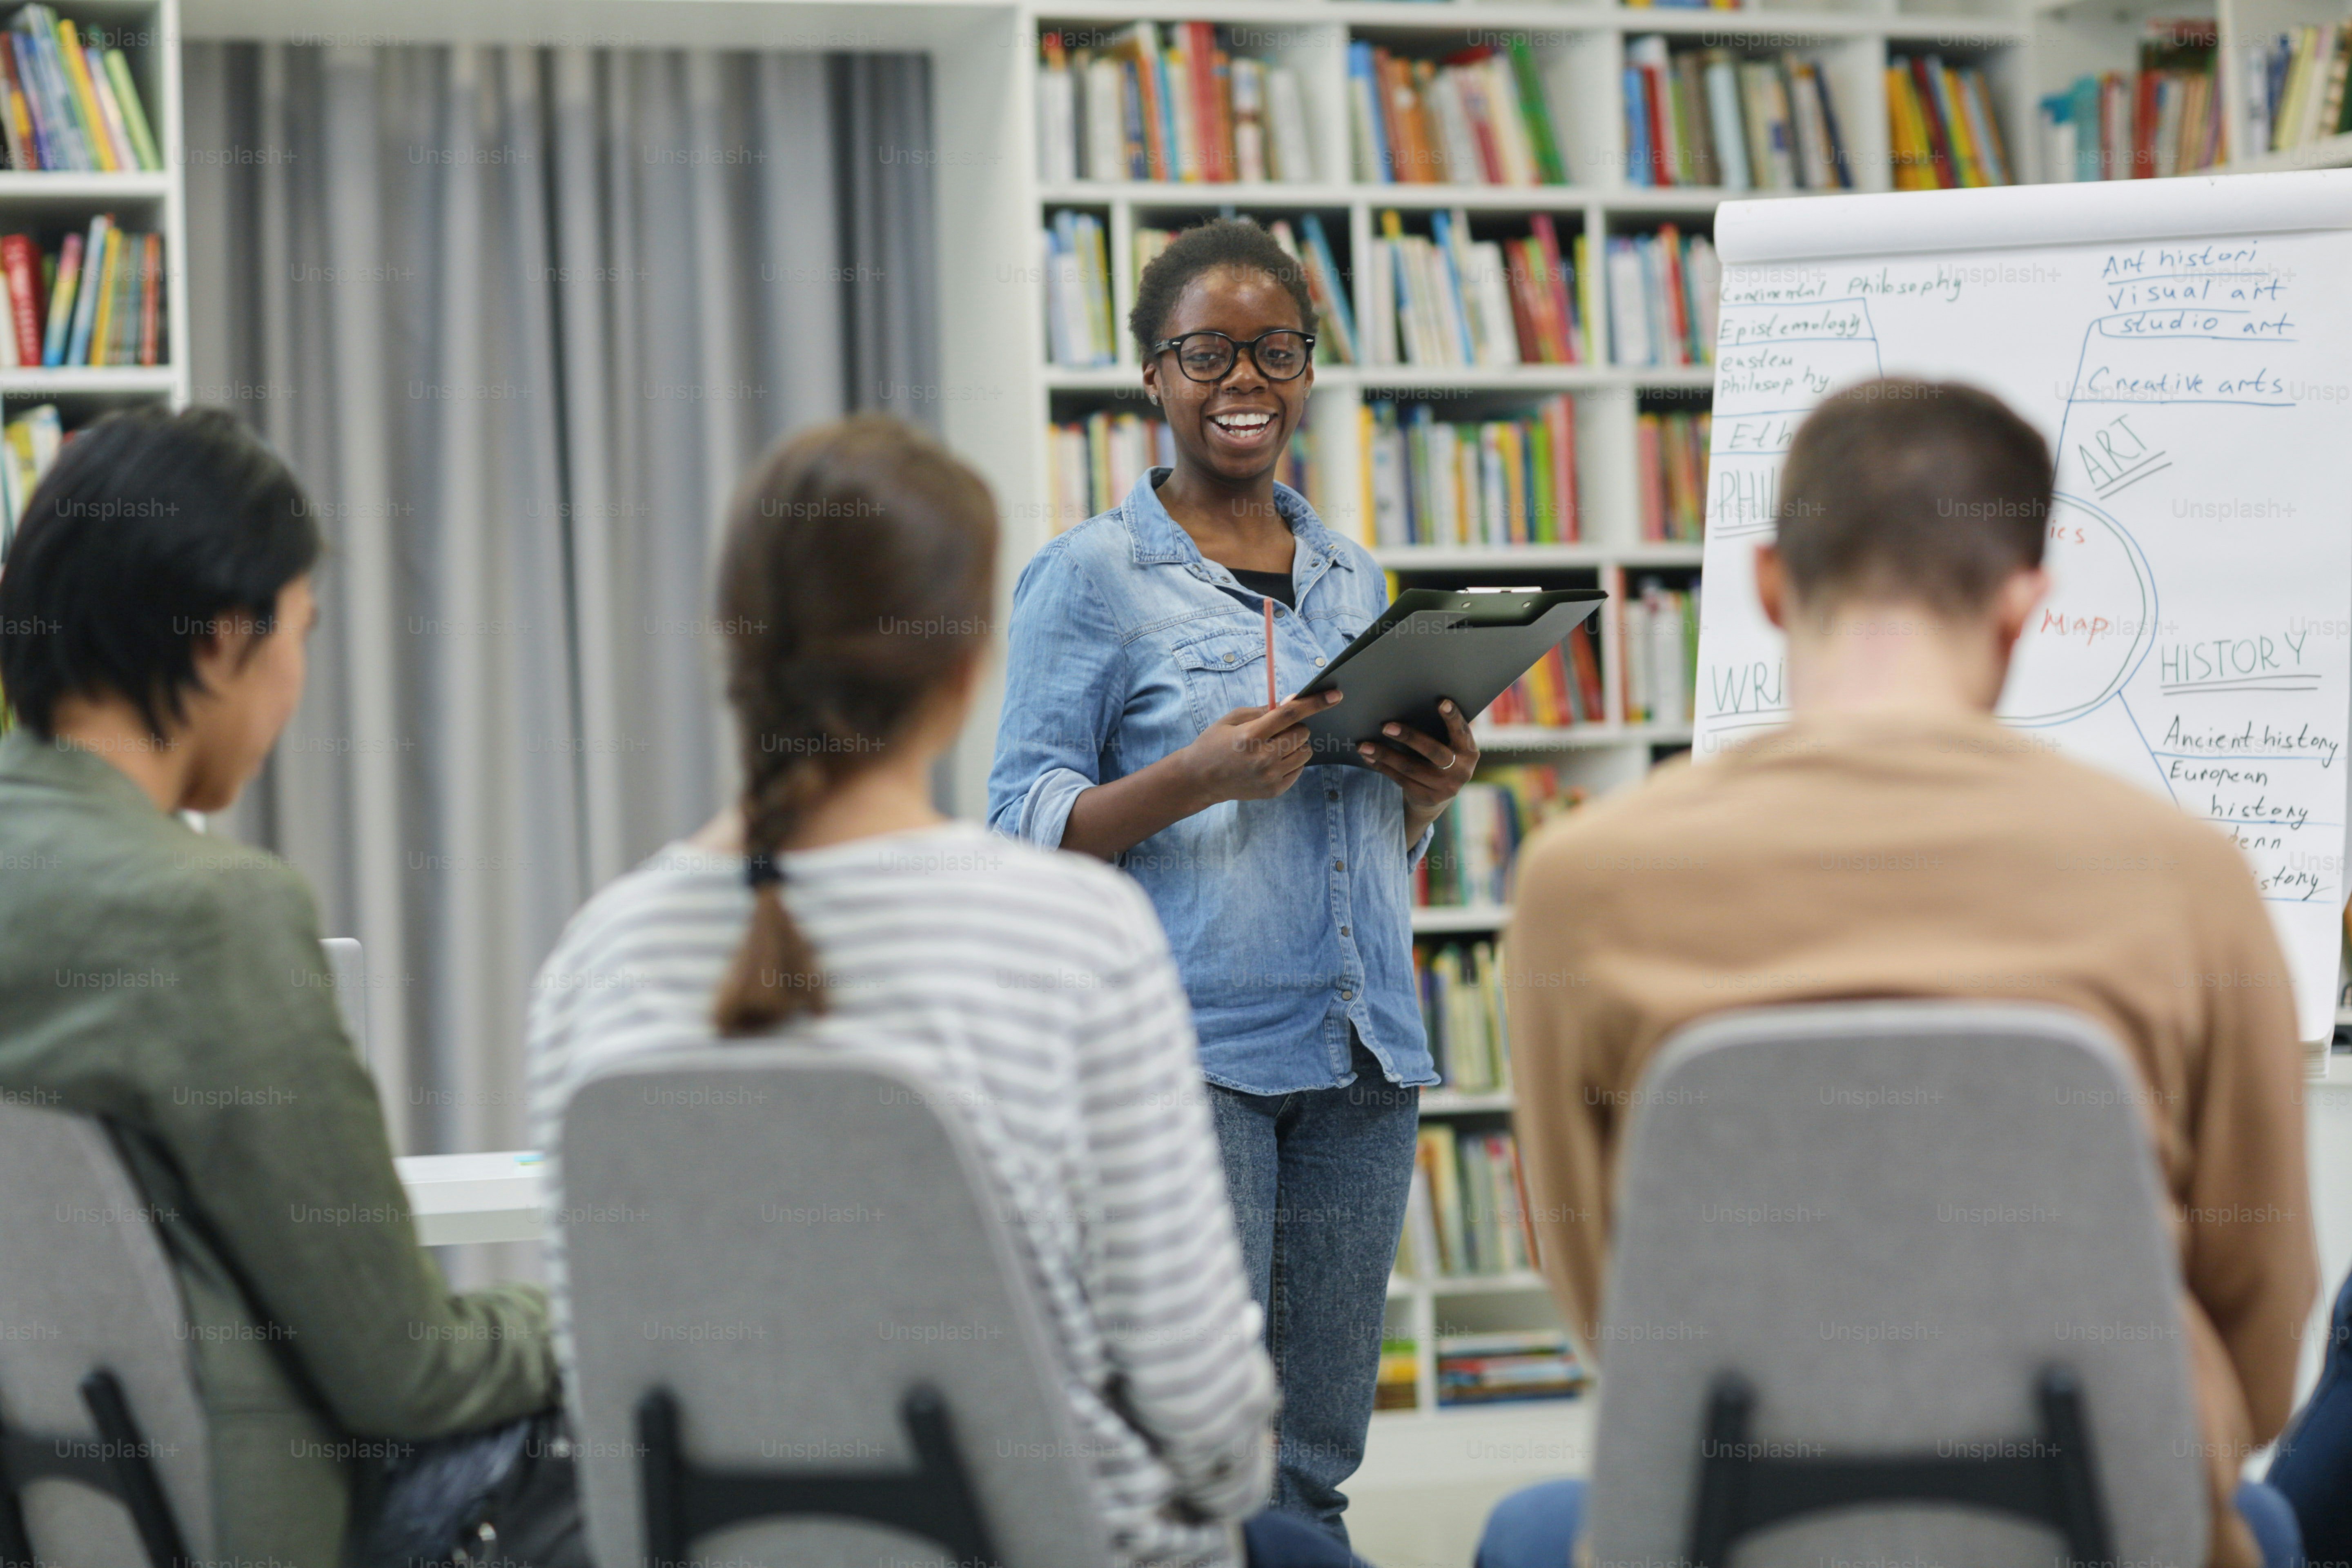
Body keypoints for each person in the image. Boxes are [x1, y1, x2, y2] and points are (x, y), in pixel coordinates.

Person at [1479, 379, 2317, 1568]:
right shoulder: (2188, 873)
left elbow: (1607, 1294)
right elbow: (2264, 1321)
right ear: (2026, 608)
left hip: (1728, 1518)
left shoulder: (1582, 879)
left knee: (1524, 1533)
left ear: (1769, 585)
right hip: (2106, 1519)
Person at [525, 414, 1370, 1568]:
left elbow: (610, 1395)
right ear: (969, 666)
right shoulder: (1073, 941)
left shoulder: (594, 962)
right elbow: (1210, 1429)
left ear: (735, 644)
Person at [0, 407, 583, 1566]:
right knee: (645, 1439)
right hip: (238, 1512)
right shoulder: (213, 912)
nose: (298, 682)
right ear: (223, 640)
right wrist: (589, 1315)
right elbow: (407, 1369)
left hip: (53, 1510)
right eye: (301, 633)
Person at [987, 217, 1471, 1543]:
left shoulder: (1353, 574)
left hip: (1365, 1055)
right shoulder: (1087, 579)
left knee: (1315, 1449)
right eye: (1208, 353)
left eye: (1275, 351)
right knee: (1190, 1450)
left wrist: (1425, 793)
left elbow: (1366, 833)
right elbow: (1019, 827)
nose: (1244, 381)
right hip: (1191, 1060)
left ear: (1310, 370)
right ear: (1153, 376)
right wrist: (1191, 778)